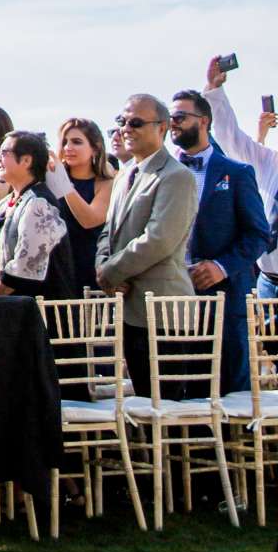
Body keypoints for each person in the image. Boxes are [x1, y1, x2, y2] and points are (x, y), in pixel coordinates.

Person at [96, 94, 197, 396]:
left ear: (162, 127)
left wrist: (111, 272)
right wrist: (103, 267)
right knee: (143, 402)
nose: (126, 128)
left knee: (167, 409)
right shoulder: (125, 173)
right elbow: (108, 231)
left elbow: (159, 239)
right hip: (129, 308)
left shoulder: (176, 176)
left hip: (164, 311)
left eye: (136, 122)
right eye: (122, 121)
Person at [169, 88, 267, 393]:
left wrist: (222, 267)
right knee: (182, 391)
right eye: (170, 118)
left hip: (226, 299)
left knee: (231, 393)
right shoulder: (162, 174)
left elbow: (258, 234)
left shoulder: (236, 173)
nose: (174, 123)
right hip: (174, 298)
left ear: (204, 121)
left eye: (181, 117)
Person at [203, 54, 278, 301]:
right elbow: (230, 137)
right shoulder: (269, 161)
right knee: (262, 341)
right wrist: (214, 90)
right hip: (268, 282)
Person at [0, 132, 74, 298]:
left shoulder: (39, 203)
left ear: (26, 160)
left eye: (4, 153)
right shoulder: (5, 202)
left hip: (36, 315)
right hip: (3, 310)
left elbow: (25, 270)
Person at [48, 118, 115, 291]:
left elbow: (90, 220)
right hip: (56, 269)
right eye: (64, 142)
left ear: (95, 148)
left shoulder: (106, 182)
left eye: (76, 142)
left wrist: (63, 183)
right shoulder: (49, 178)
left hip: (89, 270)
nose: (68, 148)